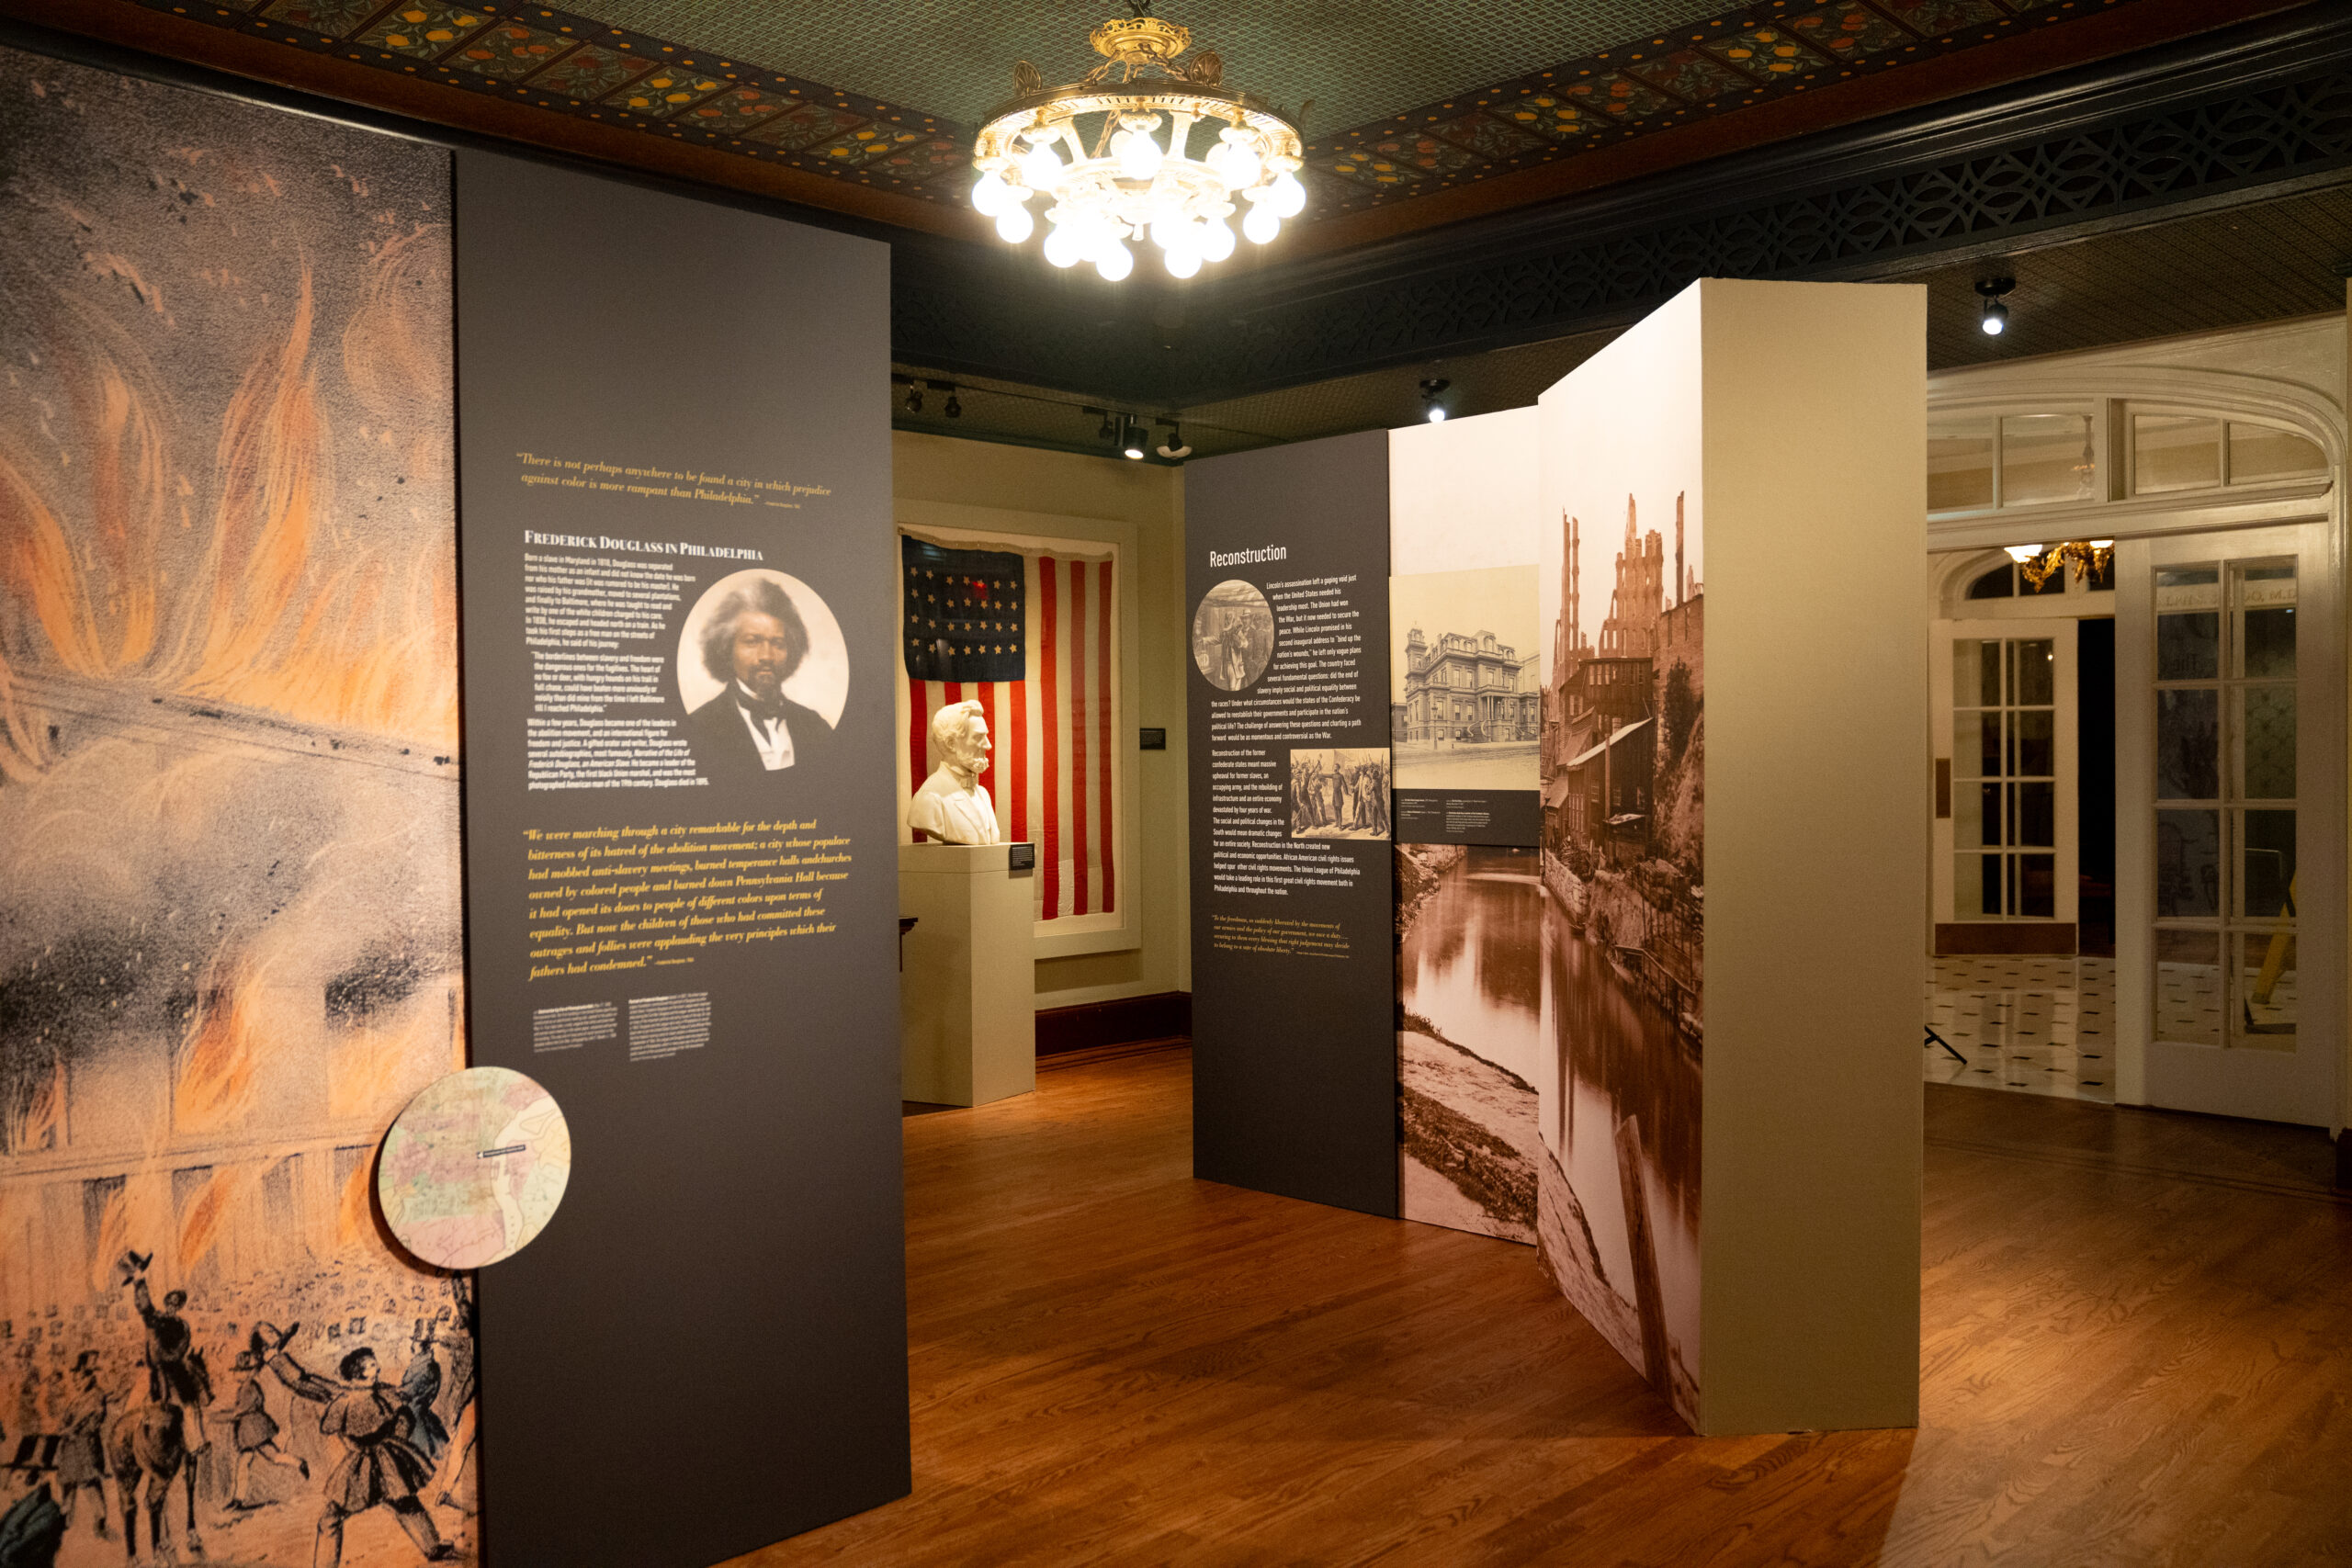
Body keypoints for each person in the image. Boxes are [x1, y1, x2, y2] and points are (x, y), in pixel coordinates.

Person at [253, 1324, 457, 1566]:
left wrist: (275, 1359)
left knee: (335, 1518)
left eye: (374, 1364)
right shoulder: (368, 1394)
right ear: (358, 1372)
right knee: (400, 1504)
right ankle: (432, 1546)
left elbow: (303, 1382)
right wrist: (276, 1359)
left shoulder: (354, 1396)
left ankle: (431, 1547)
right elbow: (303, 1381)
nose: (377, 1367)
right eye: (371, 1365)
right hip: (381, 1462)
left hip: (368, 1464)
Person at [681, 578, 835, 787]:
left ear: (791, 651)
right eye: (752, 642)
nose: (766, 656)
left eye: (777, 643)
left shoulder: (815, 727)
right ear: (726, 648)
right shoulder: (700, 727)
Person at [126, 1264, 210, 1450]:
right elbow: (145, 1307)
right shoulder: (156, 1319)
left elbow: (182, 1347)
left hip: (175, 1369)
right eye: (170, 1303)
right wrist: (139, 1283)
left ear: (179, 1306)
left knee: (190, 1405)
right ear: (166, 1304)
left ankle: (196, 1444)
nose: (173, 1306)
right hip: (156, 1369)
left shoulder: (183, 1325)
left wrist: (167, 1357)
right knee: (134, 1403)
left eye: (176, 1304)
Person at [908, 700, 1001, 845]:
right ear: (951, 744)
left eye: (986, 736)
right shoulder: (930, 798)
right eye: (978, 737)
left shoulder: (983, 794)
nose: (988, 745)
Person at [226, 1349, 306, 1509]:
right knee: (248, 1462)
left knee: (271, 1457)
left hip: (255, 1429)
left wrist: (221, 1417)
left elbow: (240, 1410)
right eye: (237, 1371)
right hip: (248, 1430)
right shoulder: (244, 1388)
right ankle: (238, 1499)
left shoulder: (250, 1388)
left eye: (242, 1371)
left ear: (250, 1372)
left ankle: (299, 1463)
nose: (237, 1375)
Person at [51, 1353, 107, 1538]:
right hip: (70, 1447)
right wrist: (63, 1427)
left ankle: (100, 1521)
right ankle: (65, 1520)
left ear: (90, 1377)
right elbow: (67, 1419)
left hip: (86, 1447)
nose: (76, 1383)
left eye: (80, 1379)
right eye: (74, 1380)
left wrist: (72, 1429)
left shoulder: (97, 1395)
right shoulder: (78, 1398)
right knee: (67, 1484)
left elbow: (92, 1419)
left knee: (89, 1483)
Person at [397, 1324, 447, 1468]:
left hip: (416, 1407)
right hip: (413, 1404)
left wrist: (397, 1392)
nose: (412, 1345)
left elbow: (414, 1389)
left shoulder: (428, 1366)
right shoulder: (418, 1362)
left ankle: (422, 1459)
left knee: (419, 1439)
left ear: (424, 1346)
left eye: (416, 1342)